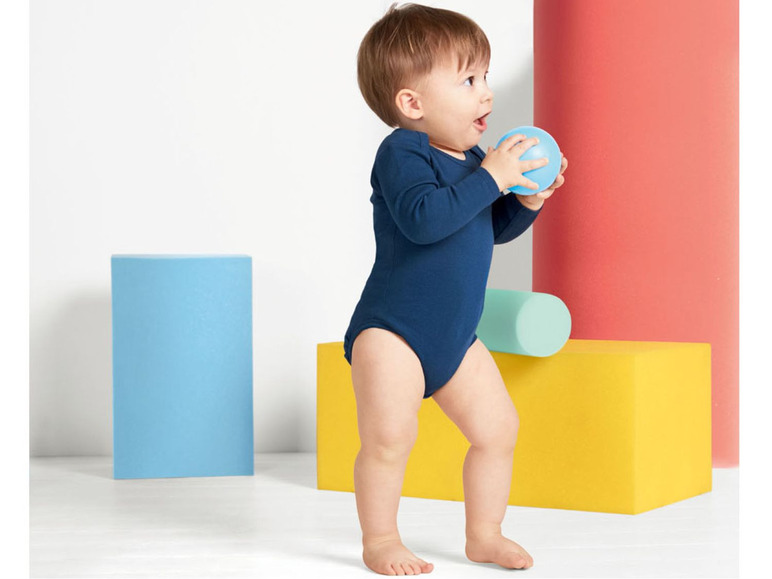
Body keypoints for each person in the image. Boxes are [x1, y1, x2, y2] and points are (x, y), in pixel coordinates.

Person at [343, 3, 567, 575]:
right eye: (468, 80)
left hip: (455, 337)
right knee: (390, 439)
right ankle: (381, 539)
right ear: (412, 104)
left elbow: (487, 229)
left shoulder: (472, 158)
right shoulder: (404, 151)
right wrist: (492, 177)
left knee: (498, 430)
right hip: (393, 331)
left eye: (485, 76)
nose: (486, 92)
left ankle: (484, 534)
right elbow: (425, 220)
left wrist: (525, 200)